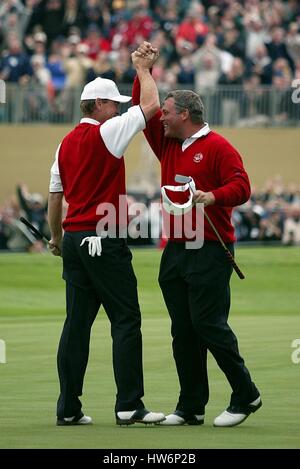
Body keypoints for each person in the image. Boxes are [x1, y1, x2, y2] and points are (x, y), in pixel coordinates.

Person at [132, 42, 262, 427]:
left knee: (208, 324)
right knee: (183, 331)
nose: (162, 120)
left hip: (210, 247)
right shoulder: (168, 141)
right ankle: (191, 406)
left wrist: (213, 196)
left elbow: (243, 187)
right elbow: (148, 108)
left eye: (169, 115)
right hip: (176, 248)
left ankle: (246, 393)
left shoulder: (219, 146)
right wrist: (143, 71)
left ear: (185, 114)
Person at [47, 43, 165, 426]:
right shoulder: (108, 131)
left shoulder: (64, 144)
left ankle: (68, 408)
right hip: (104, 236)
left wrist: (54, 238)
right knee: (126, 319)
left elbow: (54, 198)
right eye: (112, 102)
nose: (118, 108)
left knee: (76, 326)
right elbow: (151, 109)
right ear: (97, 105)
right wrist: (144, 71)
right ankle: (129, 405)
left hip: (74, 239)